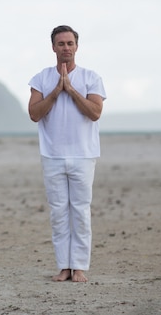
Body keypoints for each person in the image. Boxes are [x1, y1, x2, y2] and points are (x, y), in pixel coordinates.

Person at [28, 25, 106, 283]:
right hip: (52, 155)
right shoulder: (41, 78)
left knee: (81, 211)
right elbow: (35, 114)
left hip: (83, 155)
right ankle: (64, 266)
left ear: (76, 46)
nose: (66, 48)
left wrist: (71, 90)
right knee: (59, 212)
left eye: (70, 43)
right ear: (53, 47)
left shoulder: (91, 77)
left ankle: (80, 267)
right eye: (61, 44)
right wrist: (56, 90)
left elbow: (95, 112)